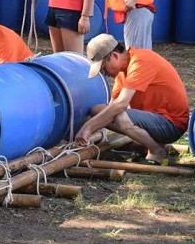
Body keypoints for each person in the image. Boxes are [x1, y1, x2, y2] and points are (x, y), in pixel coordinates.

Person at [76, 34, 189, 165]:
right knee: (98, 110)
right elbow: (111, 107)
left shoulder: (141, 61)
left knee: (120, 117)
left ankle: (157, 151)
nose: (103, 73)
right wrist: (91, 134)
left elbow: (121, 104)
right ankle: (152, 144)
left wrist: (87, 127)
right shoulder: (122, 72)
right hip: (155, 121)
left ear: (114, 56)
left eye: (103, 67)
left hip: (172, 124)